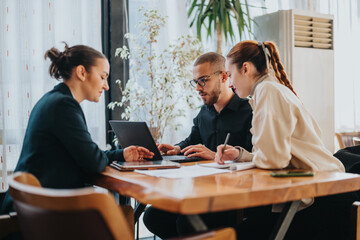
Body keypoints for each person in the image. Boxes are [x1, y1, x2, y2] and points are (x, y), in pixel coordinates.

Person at [0, 43, 154, 215]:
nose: (106, 86)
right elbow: (93, 162)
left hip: (28, 208)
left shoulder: (54, 100)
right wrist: (107, 156)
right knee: (123, 213)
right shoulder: (64, 106)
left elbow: (87, 155)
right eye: (103, 77)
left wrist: (122, 154)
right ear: (81, 72)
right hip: (39, 215)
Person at [215, 40, 346, 239]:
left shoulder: (268, 91)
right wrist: (241, 155)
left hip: (324, 200)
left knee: (238, 235)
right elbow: (273, 155)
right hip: (316, 189)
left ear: (246, 68)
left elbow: (274, 160)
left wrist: (252, 158)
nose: (230, 83)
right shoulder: (266, 90)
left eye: (230, 75)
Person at [143, 52, 253, 239]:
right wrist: (176, 149)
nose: (198, 88)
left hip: (234, 197)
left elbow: (255, 157)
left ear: (224, 76)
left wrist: (217, 157)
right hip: (202, 191)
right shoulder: (204, 113)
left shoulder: (249, 111)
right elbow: (192, 140)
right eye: (195, 82)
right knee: (153, 216)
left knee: (185, 222)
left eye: (203, 80)